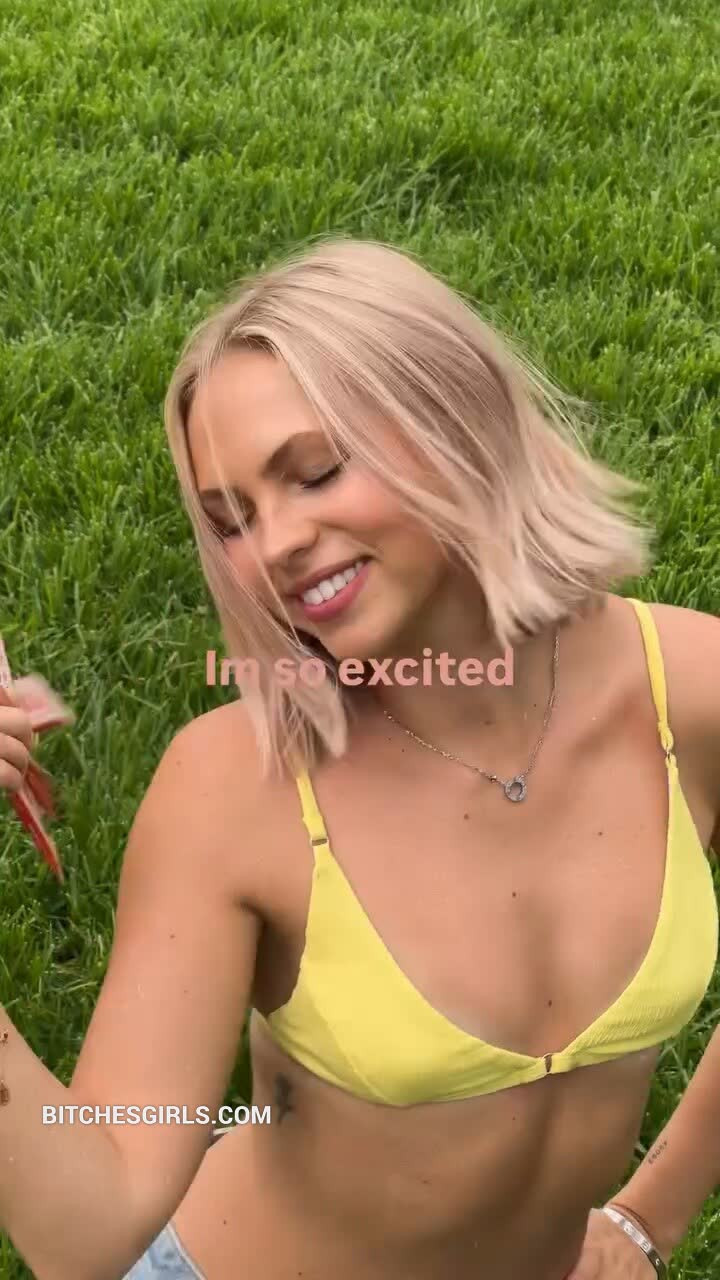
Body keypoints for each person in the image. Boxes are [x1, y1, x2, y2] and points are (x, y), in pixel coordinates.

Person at [0, 237, 718, 1280]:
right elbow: (88, 1228)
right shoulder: (236, 788)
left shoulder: (689, 688)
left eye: (316, 471)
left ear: (458, 417)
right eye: (232, 520)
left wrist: (651, 1215)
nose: (276, 545)